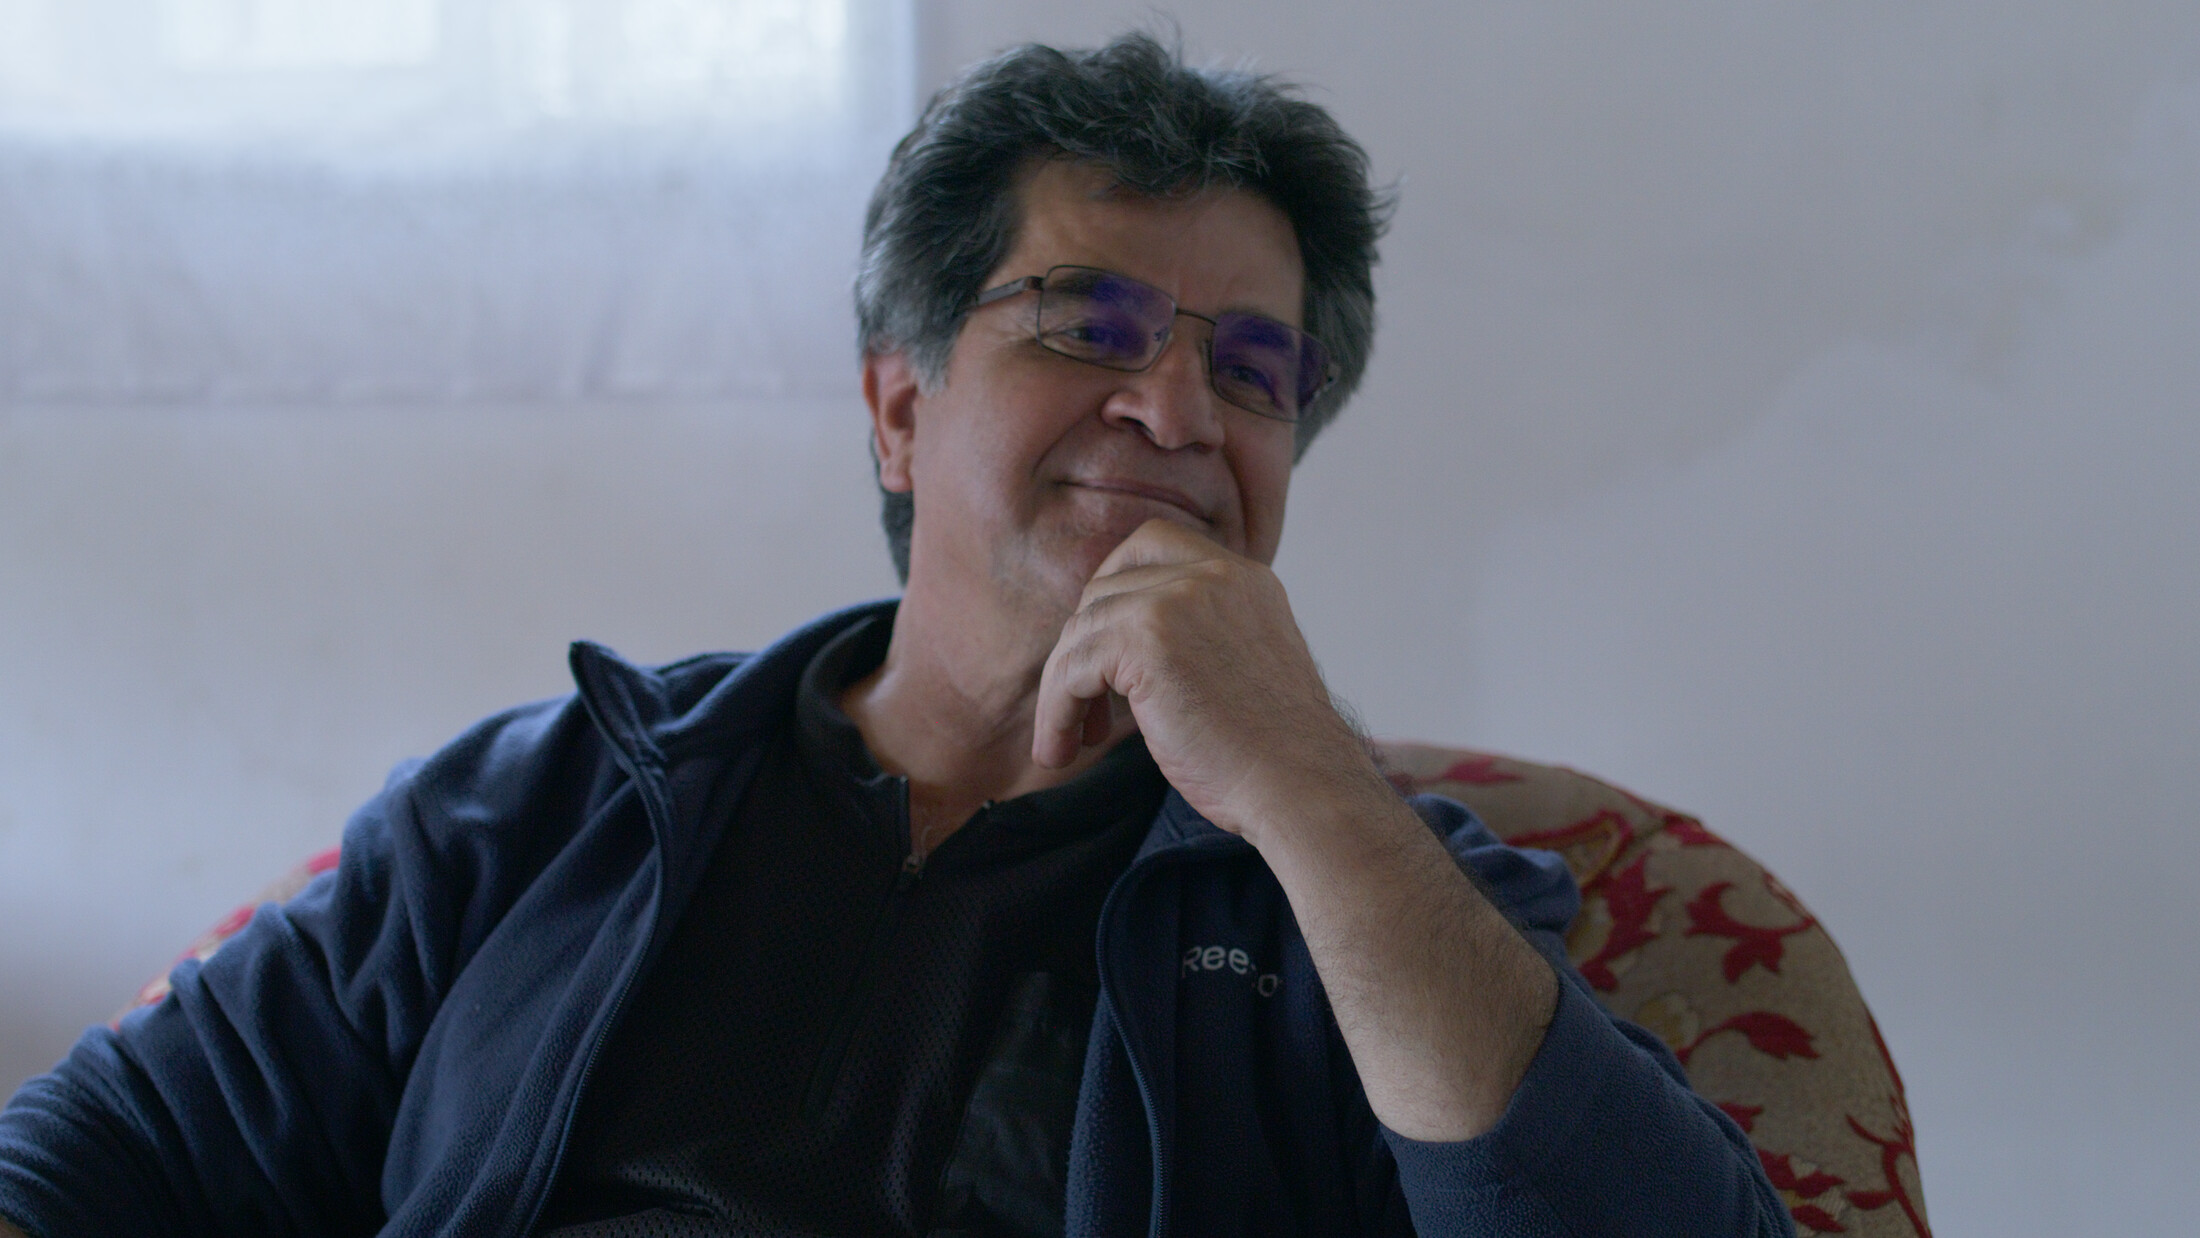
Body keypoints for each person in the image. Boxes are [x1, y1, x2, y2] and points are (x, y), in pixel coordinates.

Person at [0, 34, 1791, 1238]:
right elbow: (94, 1153)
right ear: (898, 409)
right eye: (1089, 321)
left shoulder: (1367, 897)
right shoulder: (540, 803)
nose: (1177, 408)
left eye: (1255, 369)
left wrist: (1316, 792)